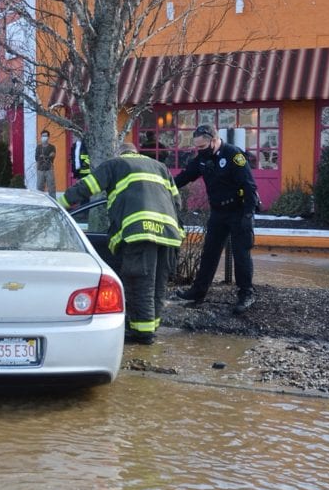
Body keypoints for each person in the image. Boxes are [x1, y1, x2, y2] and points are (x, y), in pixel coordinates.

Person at [59, 140, 183, 344]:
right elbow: (177, 202)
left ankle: (143, 334)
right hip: (169, 234)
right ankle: (151, 327)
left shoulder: (115, 164)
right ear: (135, 152)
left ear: (120, 153)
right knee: (158, 285)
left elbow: (86, 187)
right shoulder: (161, 167)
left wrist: (59, 205)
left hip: (139, 232)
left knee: (139, 283)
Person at [172, 123, 259, 315]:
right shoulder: (203, 158)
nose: (199, 151)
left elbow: (250, 186)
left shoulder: (233, 155)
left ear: (214, 140)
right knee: (209, 252)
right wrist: (163, 185)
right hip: (218, 212)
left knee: (241, 254)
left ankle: (246, 294)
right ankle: (198, 292)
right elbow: (185, 177)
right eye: (197, 147)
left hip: (238, 211)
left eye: (202, 147)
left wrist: (247, 214)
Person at [34, 130, 57, 197]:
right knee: (39, 188)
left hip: (49, 169)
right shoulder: (38, 147)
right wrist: (47, 156)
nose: (44, 137)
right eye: (43, 136)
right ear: (41, 137)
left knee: (51, 188)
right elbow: (36, 158)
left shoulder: (52, 147)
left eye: (46, 136)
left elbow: (52, 157)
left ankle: (53, 204)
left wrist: (43, 156)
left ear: (48, 137)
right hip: (40, 170)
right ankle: (39, 203)